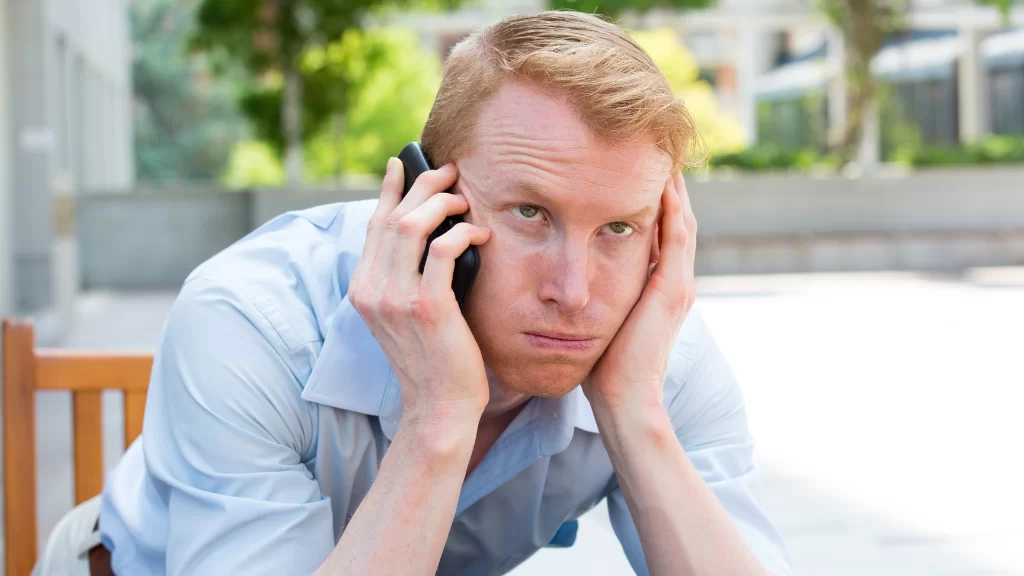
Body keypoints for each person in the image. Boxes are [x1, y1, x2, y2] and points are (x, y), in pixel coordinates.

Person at [37, 10, 792, 576]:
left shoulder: (659, 355)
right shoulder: (249, 322)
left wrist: (636, 416)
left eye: (620, 229)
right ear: (427, 208)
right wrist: (439, 416)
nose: (575, 291)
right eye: (532, 214)